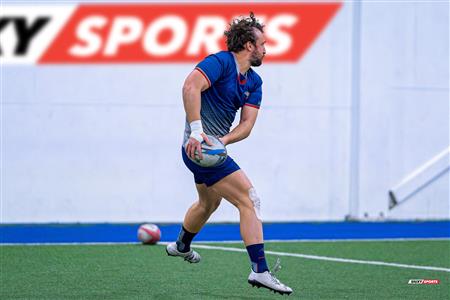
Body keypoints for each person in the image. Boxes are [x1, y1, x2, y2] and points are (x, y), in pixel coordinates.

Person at [166, 12, 293, 295]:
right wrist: (199, 132)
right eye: (262, 44)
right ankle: (260, 271)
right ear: (249, 45)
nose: (265, 49)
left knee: (207, 205)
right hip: (196, 148)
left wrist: (220, 141)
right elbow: (190, 86)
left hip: (211, 151)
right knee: (250, 199)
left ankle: (181, 246)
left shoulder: (254, 82)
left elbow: (246, 126)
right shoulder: (220, 62)